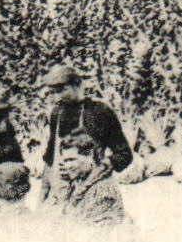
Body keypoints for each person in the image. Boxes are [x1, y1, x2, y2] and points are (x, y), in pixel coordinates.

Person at [40, 65, 133, 225]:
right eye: (53, 92)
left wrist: (96, 167)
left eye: (62, 90)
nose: (58, 96)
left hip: (96, 189)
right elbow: (50, 157)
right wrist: (42, 198)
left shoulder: (99, 112)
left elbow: (124, 154)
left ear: (78, 84)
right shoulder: (56, 113)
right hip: (63, 190)